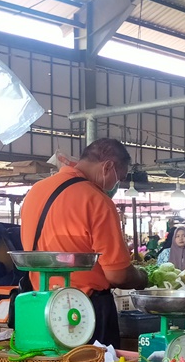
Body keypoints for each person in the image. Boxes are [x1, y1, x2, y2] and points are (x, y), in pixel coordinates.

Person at [19, 138, 147, 347]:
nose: (116, 185)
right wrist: (142, 278)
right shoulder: (96, 200)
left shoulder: (36, 191)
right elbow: (119, 275)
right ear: (108, 167)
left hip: (41, 305)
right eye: (118, 179)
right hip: (83, 312)